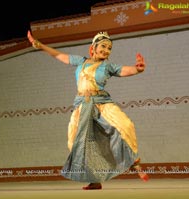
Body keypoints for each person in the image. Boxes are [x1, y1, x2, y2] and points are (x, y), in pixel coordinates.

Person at [27, 30, 149, 190]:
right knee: (75, 142)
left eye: (109, 48)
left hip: (102, 103)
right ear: (93, 48)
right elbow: (59, 56)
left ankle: (134, 164)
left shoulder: (108, 66)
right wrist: (41, 46)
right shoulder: (80, 62)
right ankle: (94, 180)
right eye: (103, 46)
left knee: (125, 125)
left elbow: (125, 70)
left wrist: (137, 69)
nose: (106, 50)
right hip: (82, 106)